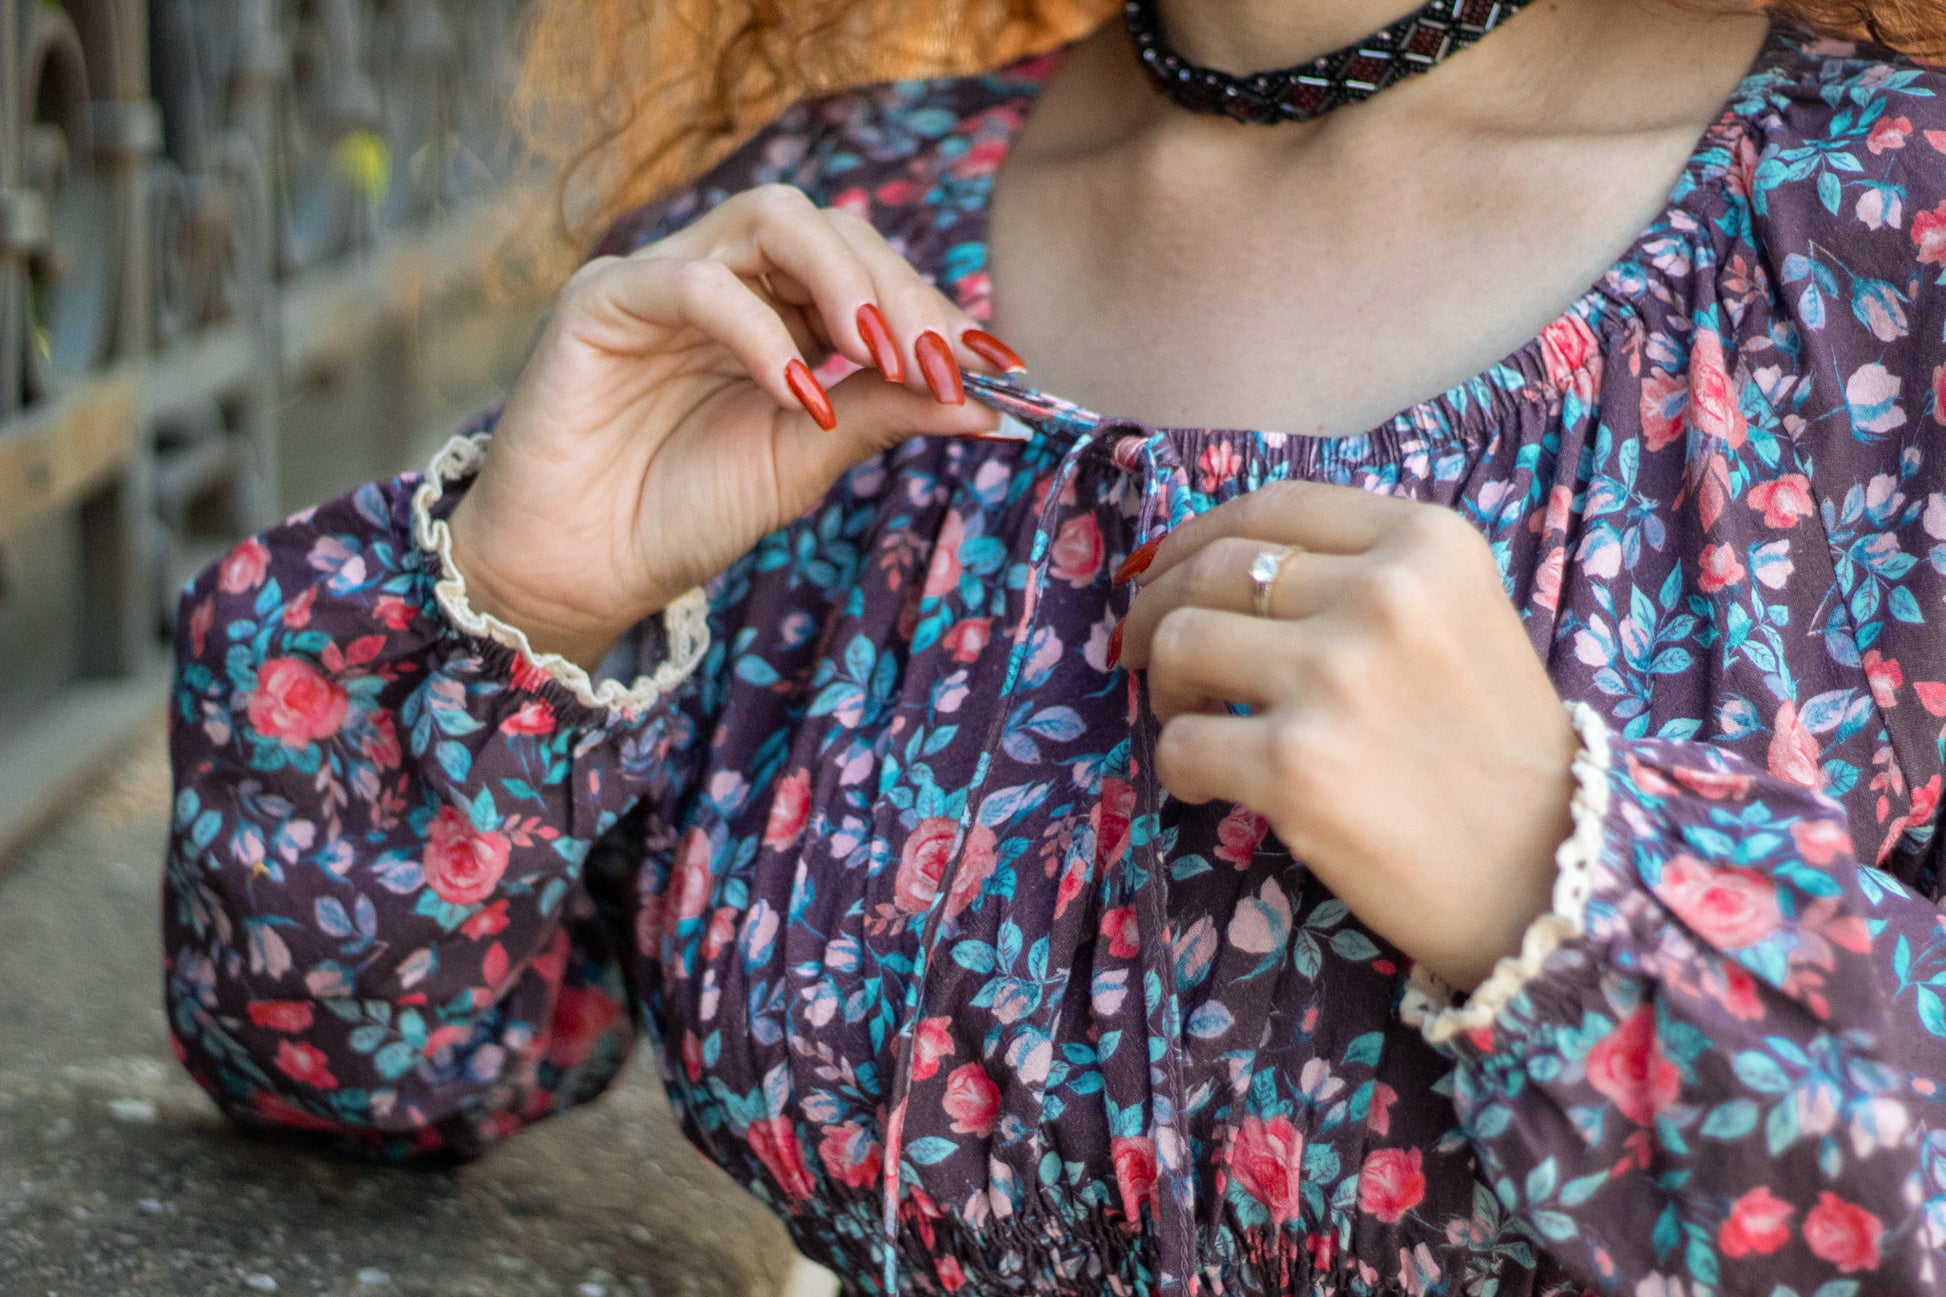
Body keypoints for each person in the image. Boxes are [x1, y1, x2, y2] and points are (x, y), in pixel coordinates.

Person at [163, 0, 1946, 1290]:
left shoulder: (1884, 252)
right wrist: (524, 602)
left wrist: (1566, 881)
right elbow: (336, 1075)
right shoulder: (821, 248)